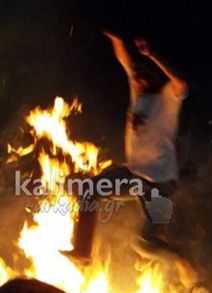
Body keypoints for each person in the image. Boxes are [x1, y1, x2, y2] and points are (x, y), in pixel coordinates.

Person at [65, 31, 188, 263]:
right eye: (136, 78)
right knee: (89, 190)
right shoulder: (138, 96)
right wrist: (116, 39)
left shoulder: (167, 99)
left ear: (153, 80)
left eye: (143, 78)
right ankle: (82, 250)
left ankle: (182, 261)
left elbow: (181, 82)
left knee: (145, 244)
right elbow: (125, 60)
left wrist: (153, 55)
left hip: (159, 184)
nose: (138, 81)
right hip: (134, 175)